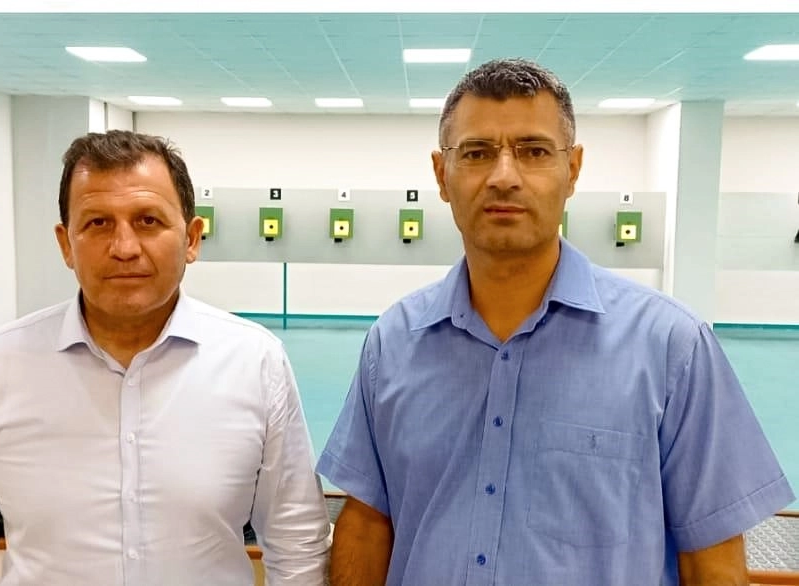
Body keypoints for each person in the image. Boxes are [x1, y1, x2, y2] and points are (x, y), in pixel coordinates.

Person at [316, 58, 794, 586]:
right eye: (476, 152)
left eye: (534, 151)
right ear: (441, 174)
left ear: (573, 169)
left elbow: (712, 562)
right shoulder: (393, 343)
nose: (504, 176)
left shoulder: (672, 349)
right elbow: (368, 525)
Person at [0, 130, 331, 585]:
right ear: (66, 244)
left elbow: (297, 546)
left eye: (148, 220)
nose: (124, 248)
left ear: (192, 238)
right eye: (98, 223)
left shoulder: (256, 363)